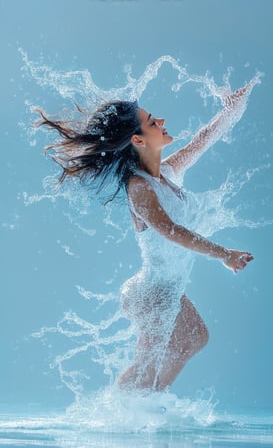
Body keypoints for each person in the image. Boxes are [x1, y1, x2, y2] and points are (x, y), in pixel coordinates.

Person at [36, 80, 255, 393]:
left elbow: (201, 142)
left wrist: (230, 112)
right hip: (150, 292)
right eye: (153, 121)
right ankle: (127, 411)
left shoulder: (166, 172)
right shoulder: (139, 188)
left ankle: (139, 406)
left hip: (164, 289)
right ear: (138, 140)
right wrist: (224, 254)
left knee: (191, 340)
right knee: (158, 359)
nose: (161, 121)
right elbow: (171, 232)